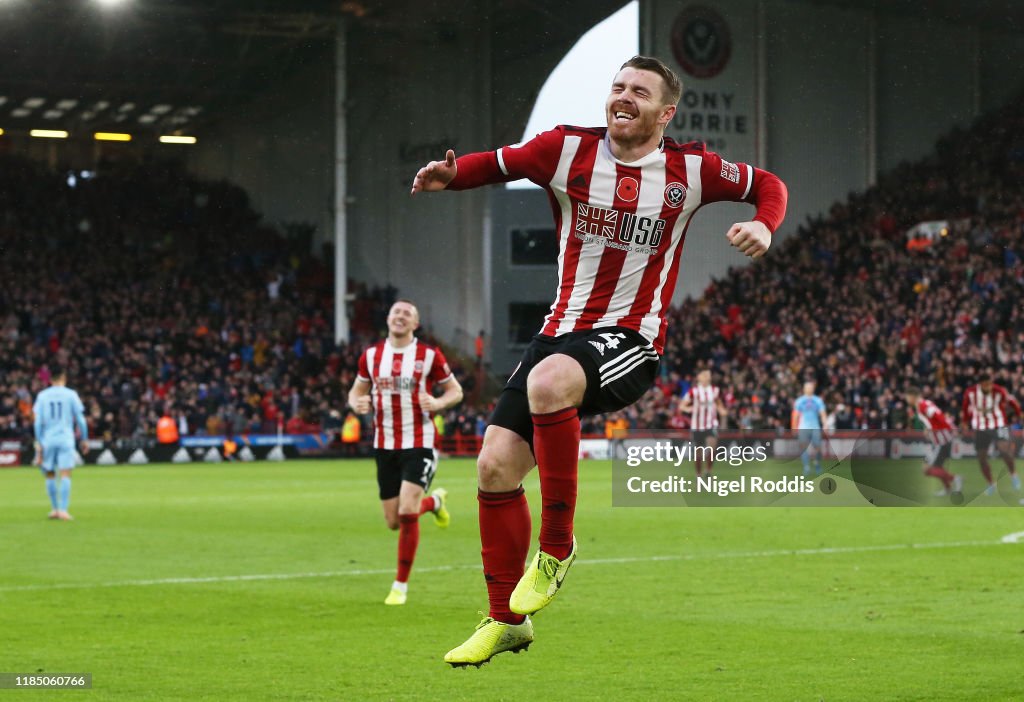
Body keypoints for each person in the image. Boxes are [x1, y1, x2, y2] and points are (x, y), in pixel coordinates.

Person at [411, 55, 788, 665]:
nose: (622, 97)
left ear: (665, 112)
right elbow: (499, 162)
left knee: (551, 381)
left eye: (638, 91)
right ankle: (505, 619)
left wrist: (765, 225)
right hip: (558, 332)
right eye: (617, 87)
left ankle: (556, 547)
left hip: (632, 340)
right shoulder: (565, 151)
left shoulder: (691, 169)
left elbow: (768, 184)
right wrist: (450, 177)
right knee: (493, 468)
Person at [347, 299, 464, 605]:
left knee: (407, 511)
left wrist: (438, 403)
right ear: (387, 319)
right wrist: (355, 403)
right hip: (384, 445)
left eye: (407, 314)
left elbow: (455, 391)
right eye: (396, 312)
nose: (400, 316)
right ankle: (435, 501)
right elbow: (356, 391)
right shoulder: (371, 356)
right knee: (393, 521)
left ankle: (400, 586)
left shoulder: (428, 356)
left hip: (420, 442)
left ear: (415, 324)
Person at [32, 365, 89, 521]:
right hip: (65, 438)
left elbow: (37, 423)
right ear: (64, 378)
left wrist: (38, 441)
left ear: (50, 380)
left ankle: (54, 508)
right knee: (65, 473)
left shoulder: (42, 396)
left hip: (48, 439)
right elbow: (81, 420)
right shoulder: (71, 394)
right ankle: (63, 510)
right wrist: (84, 439)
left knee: (49, 474)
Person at [960, 371, 1021, 496]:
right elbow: (965, 408)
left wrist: (1019, 413)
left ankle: (1013, 474)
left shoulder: (999, 391)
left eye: (990, 384)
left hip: (999, 425)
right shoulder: (971, 393)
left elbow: (1012, 402)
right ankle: (991, 484)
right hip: (980, 427)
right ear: (981, 384)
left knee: (1005, 451)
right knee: (982, 458)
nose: (989, 387)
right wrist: (965, 422)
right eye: (986, 384)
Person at [904, 387, 962, 497]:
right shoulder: (924, 404)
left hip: (941, 441)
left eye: (907, 397)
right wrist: (928, 428)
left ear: (912, 396)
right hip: (938, 441)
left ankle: (955, 478)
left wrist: (950, 428)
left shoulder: (923, 405)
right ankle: (948, 488)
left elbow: (939, 416)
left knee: (927, 470)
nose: (907, 400)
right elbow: (934, 418)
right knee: (937, 467)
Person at [678, 368, 727, 477]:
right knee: (698, 451)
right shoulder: (694, 391)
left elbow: (719, 404)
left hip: (711, 424)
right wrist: (688, 409)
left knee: (712, 447)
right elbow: (682, 405)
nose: (707, 377)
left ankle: (708, 471)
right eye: (705, 375)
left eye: (708, 375)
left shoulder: (715, 390)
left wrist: (722, 410)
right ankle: (698, 474)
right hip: (697, 425)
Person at [793, 381, 827, 476]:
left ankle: (817, 463)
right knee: (803, 448)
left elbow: (822, 413)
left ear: (813, 389)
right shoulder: (799, 401)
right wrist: (794, 426)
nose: (809, 389)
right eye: (807, 387)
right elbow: (795, 415)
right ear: (804, 389)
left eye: (810, 387)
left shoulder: (818, 400)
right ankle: (806, 467)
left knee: (818, 448)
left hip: (815, 427)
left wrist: (825, 423)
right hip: (803, 427)